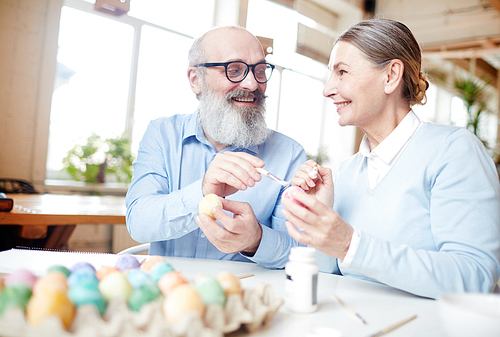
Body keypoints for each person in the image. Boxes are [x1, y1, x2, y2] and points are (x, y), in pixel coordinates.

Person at [281, 18, 500, 299]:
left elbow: (474, 277)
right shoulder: (346, 172)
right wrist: (321, 214)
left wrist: (351, 245)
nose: (328, 89)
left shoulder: (454, 151)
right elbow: (331, 277)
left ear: (391, 76)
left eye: (342, 72)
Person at [125, 26, 306, 268]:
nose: (252, 84)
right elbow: (139, 223)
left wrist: (256, 240)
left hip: (245, 298)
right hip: (166, 291)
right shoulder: (162, 134)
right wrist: (202, 193)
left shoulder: (290, 156)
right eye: (234, 70)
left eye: (260, 70)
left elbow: (300, 254)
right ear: (196, 80)